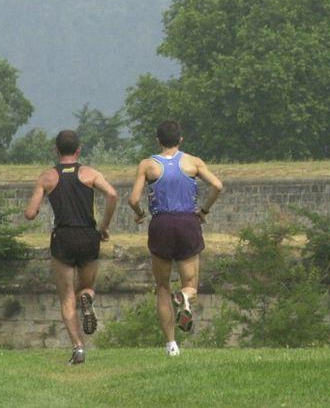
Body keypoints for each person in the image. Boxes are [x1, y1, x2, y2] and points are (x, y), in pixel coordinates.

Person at [128, 120, 223, 357]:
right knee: (191, 284)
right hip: (187, 222)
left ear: (158, 140)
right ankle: (185, 298)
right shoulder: (193, 162)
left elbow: (133, 199)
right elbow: (218, 186)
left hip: (161, 224)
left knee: (162, 286)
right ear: (180, 139)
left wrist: (140, 215)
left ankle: (171, 345)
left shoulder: (148, 165)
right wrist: (204, 211)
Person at [23, 129, 118, 365]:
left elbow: (30, 214)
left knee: (66, 297)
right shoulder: (89, 174)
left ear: (56, 150)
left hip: (63, 237)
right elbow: (113, 195)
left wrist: (41, 197)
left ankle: (78, 348)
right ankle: (87, 298)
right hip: (88, 235)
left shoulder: (47, 177)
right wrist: (104, 226)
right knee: (86, 287)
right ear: (79, 150)